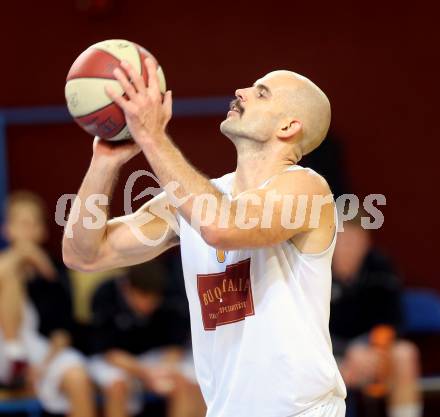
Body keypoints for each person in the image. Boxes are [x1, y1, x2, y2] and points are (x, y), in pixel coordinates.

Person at [63, 58, 347, 417]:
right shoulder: (191, 201)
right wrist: (104, 163)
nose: (240, 92)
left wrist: (151, 136)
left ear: (289, 125)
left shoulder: (307, 188)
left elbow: (221, 228)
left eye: (261, 92)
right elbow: (85, 255)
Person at [0, 191, 96, 417]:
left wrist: (42, 367)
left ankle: (20, 364)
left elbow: (62, 331)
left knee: (77, 376)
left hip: (40, 353)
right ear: (7, 229)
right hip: (4, 350)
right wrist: (22, 255)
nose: (27, 230)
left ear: (42, 230)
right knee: (9, 277)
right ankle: (15, 356)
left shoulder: (56, 273)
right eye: (21, 223)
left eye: (33, 223)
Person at [331, 213, 423, 417]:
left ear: (366, 241)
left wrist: (372, 349)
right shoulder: (314, 271)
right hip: (330, 356)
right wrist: (346, 354)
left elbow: (393, 321)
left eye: (355, 240)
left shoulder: (380, 268)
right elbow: (306, 330)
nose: (349, 248)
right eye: (343, 240)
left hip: (372, 352)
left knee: (405, 353)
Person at [88, 261, 205, 417]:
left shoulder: (169, 290)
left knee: (187, 384)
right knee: (117, 386)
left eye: (154, 298)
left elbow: (175, 344)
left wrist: (162, 371)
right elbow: (108, 351)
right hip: (114, 359)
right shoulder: (106, 294)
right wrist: (145, 374)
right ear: (127, 288)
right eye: (143, 296)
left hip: (153, 358)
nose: (149, 304)